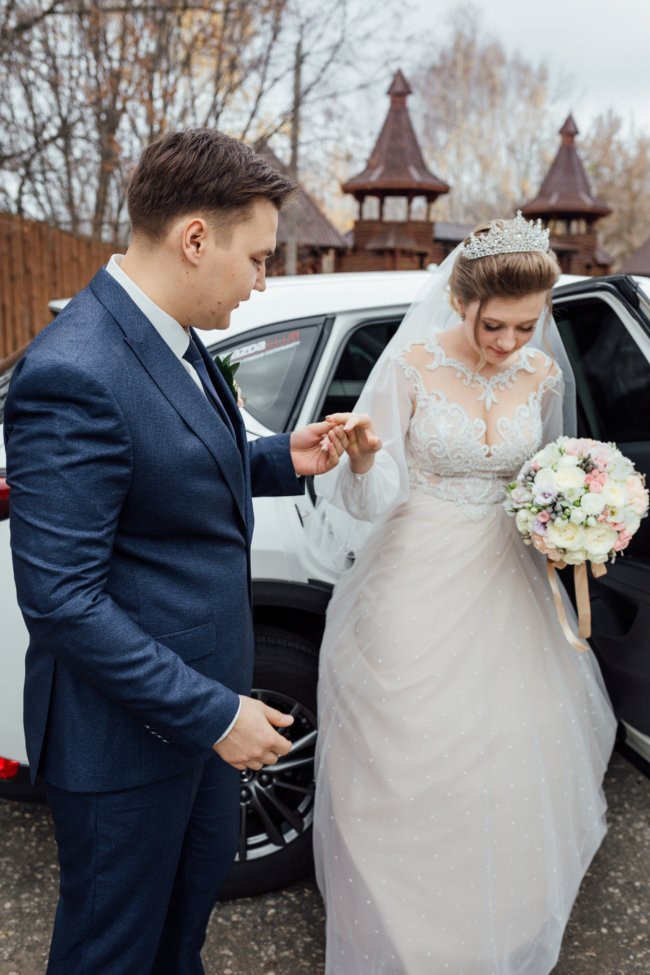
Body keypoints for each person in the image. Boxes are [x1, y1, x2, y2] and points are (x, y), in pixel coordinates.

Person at [5, 128, 345, 975]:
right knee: (110, 955)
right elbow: (62, 601)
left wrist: (281, 457)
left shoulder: (175, 334)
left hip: (198, 720)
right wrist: (217, 714)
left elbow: (169, 468)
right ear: (196, 238)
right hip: (123, 744)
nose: (262, 282)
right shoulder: (73, 372)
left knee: (177, 941)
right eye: (258, 259)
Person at [313, 213, 617, 975]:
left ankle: (492, 933)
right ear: (460, 301)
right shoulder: (410, 365)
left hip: (510, 579)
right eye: (493, 325)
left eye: (526, 326)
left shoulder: (542, 375)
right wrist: (362, 461)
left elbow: (542, 475)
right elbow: (372, 497)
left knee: (508, 751)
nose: (510, 342)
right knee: (412, 753)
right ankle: (409, 941)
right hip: (416, 574)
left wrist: (576, 516)